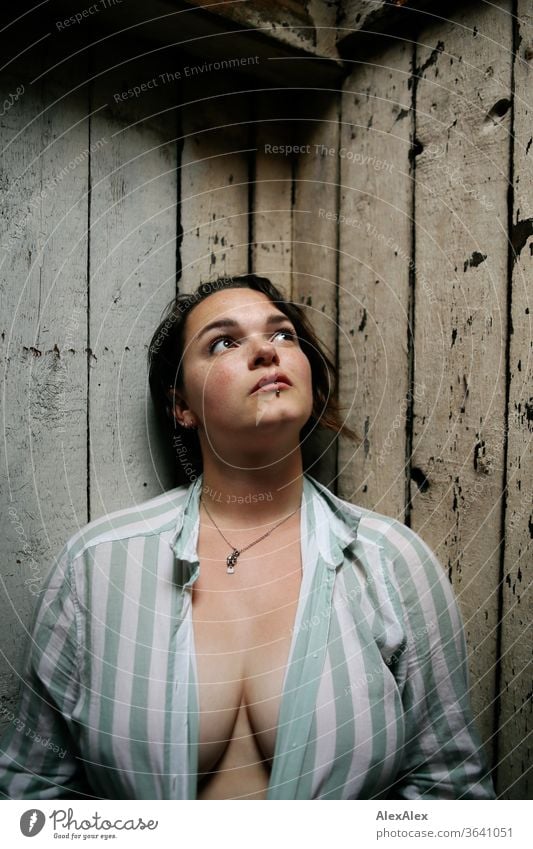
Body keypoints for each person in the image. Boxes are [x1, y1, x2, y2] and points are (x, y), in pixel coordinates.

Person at [0, 274, 496, 800]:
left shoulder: (389, 562)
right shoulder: (98, 568)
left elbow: (450, 793)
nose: (265, 350)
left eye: (283, 335)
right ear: (181, 406)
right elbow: (30, 793)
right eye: (223, 342)